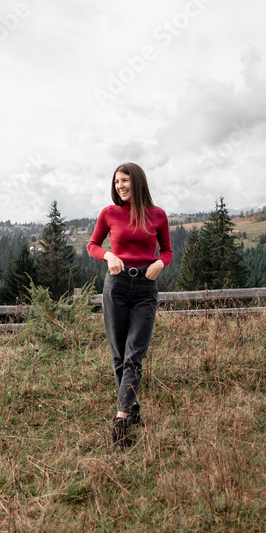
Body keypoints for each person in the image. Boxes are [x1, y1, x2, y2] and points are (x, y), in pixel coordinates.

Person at [87, 162, 172, 448]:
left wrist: (160, 262)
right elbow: (92, 245)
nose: (120, 186)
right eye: (116, 182)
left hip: (146, 288)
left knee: (134, 353)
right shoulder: (109, 213)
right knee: (118, 353)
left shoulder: (158, 215)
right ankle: (132, 408)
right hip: (117, 286)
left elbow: (168, 250)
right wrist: (108, 256)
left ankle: (121, 418)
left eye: (124, 181)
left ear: (137, 182)